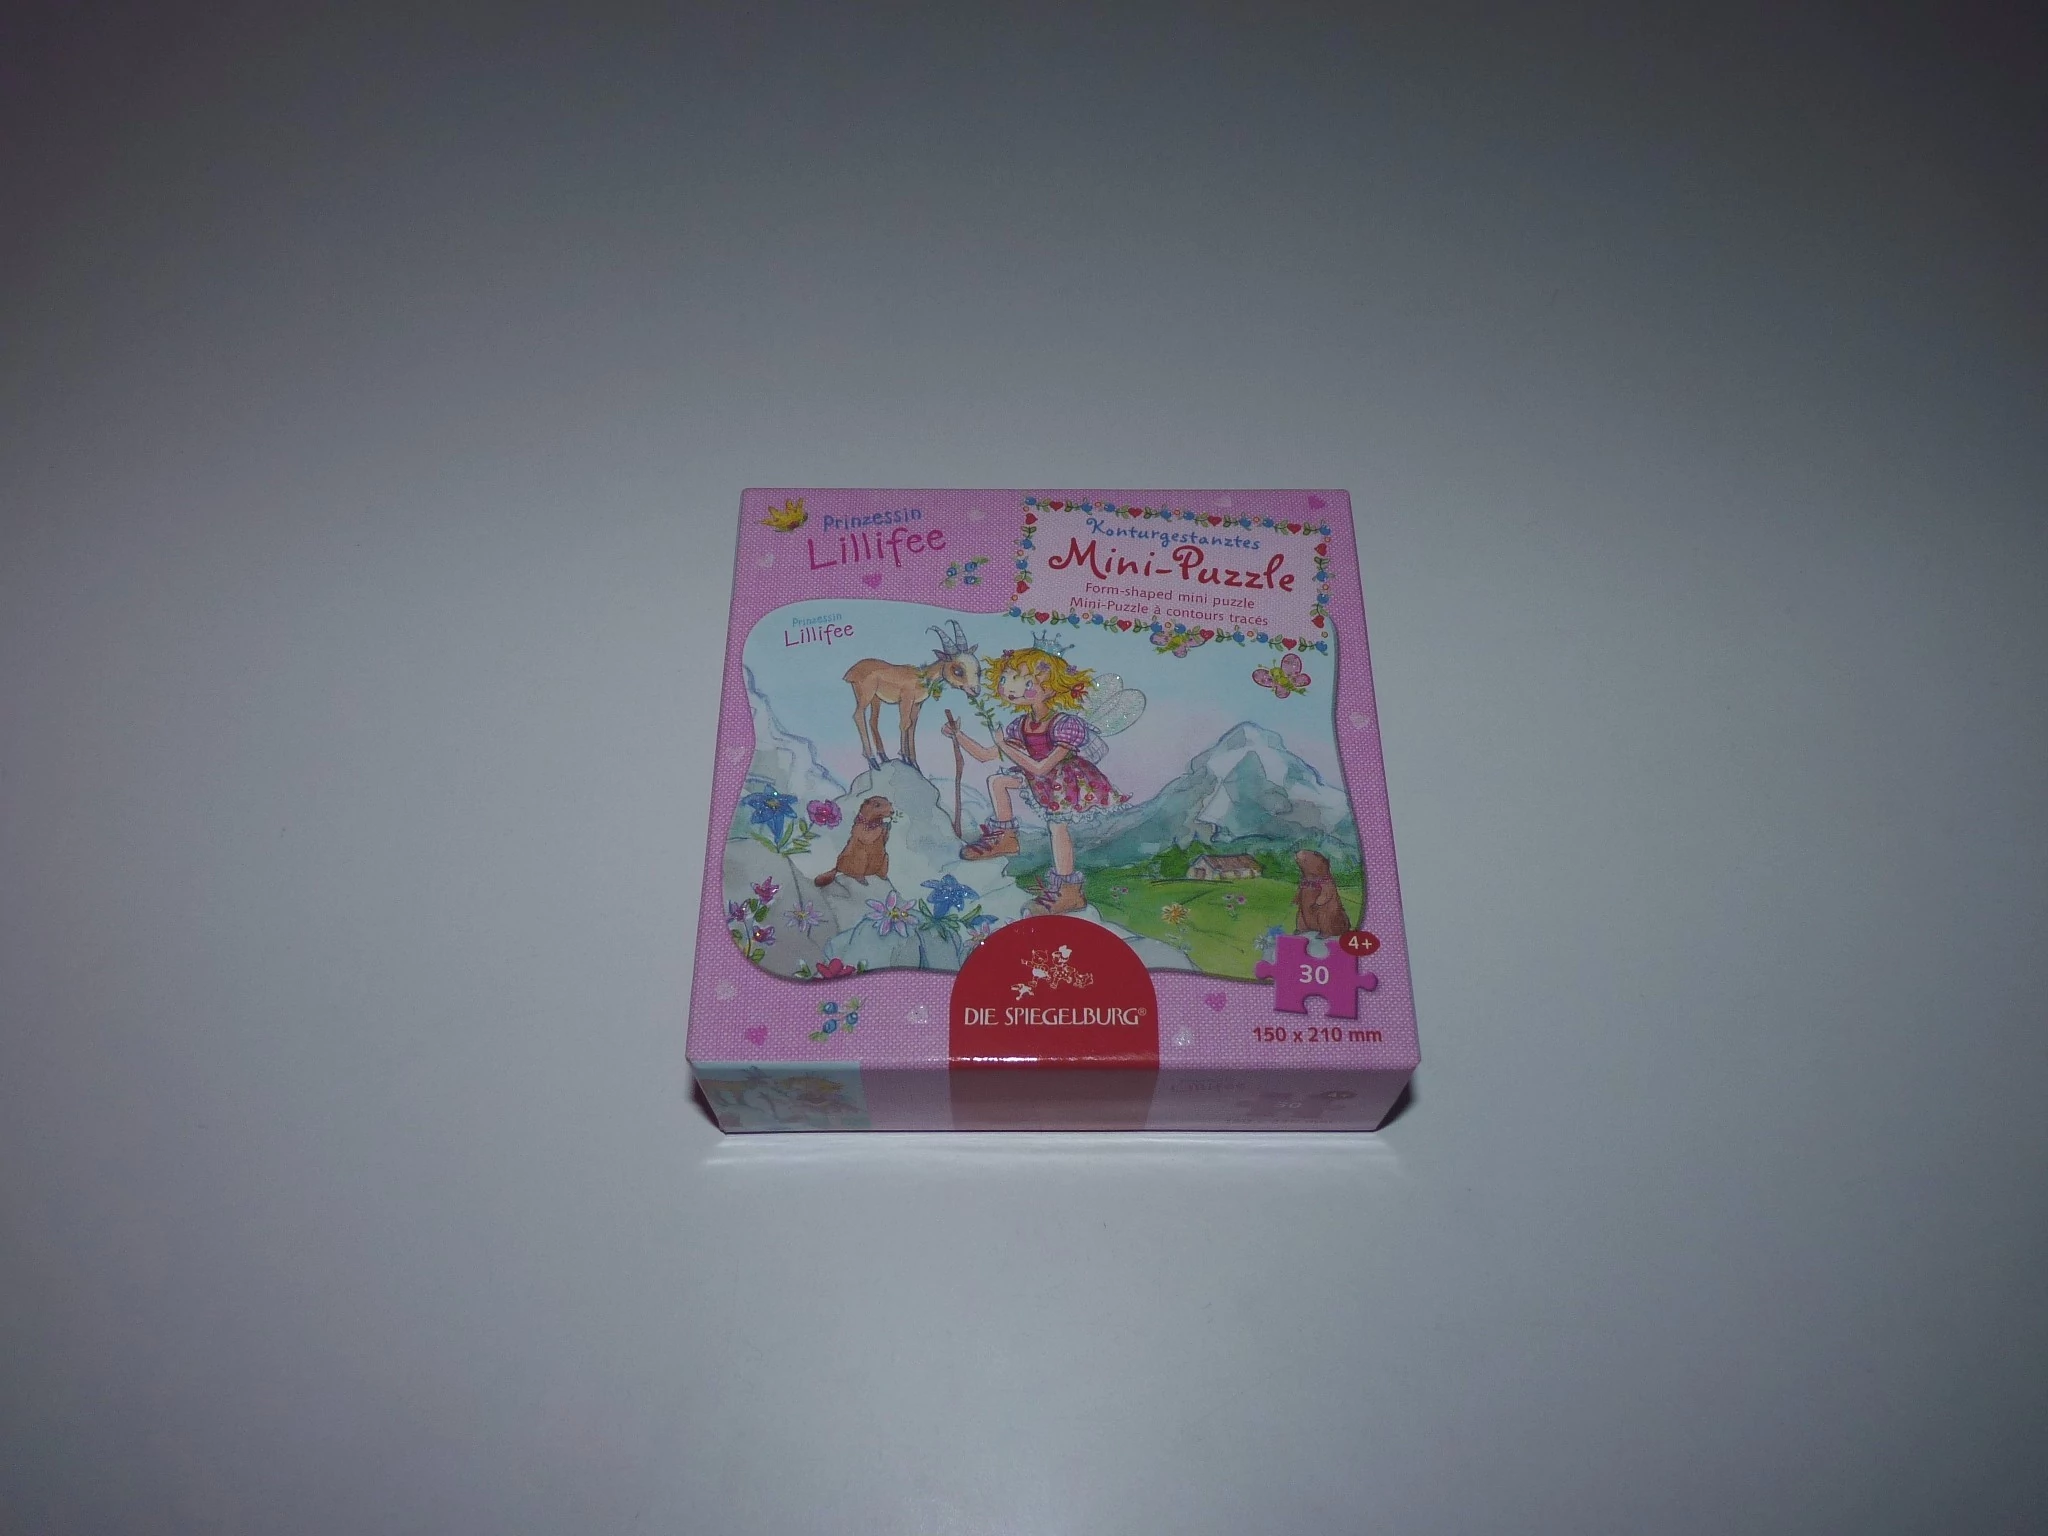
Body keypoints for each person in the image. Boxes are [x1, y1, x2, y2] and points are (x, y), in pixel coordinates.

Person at [941, 646, 1126, 915]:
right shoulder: (1020, 725)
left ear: (1050, 689)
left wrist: (1005, 746)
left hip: (1066, 782)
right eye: (1006, 679)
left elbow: (1042, 768)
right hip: (1038, 777)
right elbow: (984, 756)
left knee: (1057, 826)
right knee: (998, 781)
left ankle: (1069, 892)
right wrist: (958, 735)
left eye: (1026, 683)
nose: (1010, 688)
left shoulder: (1064, 724)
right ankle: (1006, 839)